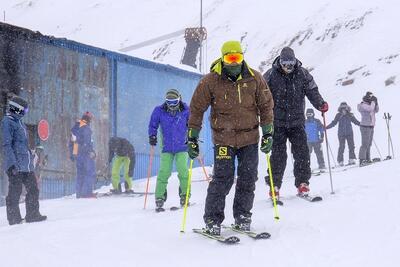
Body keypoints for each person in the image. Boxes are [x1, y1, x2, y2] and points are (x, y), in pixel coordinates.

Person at [188, 40, 274, 235]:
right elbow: (196, 109)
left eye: (238, 57)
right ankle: (212, 220)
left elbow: (266, 107)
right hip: (224, 139)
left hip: (250, 138)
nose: (234, 63)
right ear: (223, 58)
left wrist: (268, 133)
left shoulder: (255, 79)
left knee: (248, 178)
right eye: (230, 58)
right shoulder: (210, 81)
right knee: (222, 179)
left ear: (243, 57)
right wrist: (192, 137)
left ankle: (243, 216)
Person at [263, 47, 328, 199]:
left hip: (297, 121)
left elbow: (312, 90)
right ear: (280, 61)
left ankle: (303, 183)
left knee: (302, 153)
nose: (288, 67)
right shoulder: (271, 74)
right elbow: (261, 94)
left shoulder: (302, 74)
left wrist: (320, 104)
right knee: (278, 155)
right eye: (285, 64)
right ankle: (275, 186)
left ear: (294, 62)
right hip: (277, 122)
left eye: (290, 64)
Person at [1, 95, 47, 225]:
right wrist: (11, 164)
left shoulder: (19, 122)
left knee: (33, 189)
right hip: (15, 164)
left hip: (26, 165)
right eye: (24, 111)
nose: (25, 113)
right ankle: (14, 219)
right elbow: (6, 144)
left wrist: (31, 157)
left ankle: (32, 214)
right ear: (17, 109)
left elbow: (23, 144)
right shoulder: (7, 122)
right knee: (14, 192)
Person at [148, 89, 190, 210]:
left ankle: (185, 195)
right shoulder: (159, 110)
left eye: (174, 101)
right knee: (164, 172)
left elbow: (193, 123)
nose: (172, 105)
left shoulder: (186, 110)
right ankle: (160, 197)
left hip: (182, 147)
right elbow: (153, 124)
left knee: (183, 171)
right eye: (169, 102)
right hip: (166, 148)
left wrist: (193, 135)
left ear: (179, 99)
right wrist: (152, 135)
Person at [71, 111, 96, 198]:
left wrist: (74, 154)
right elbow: (87, 143)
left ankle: (79, 193)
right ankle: (87, 193)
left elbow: (74, 142)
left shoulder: (76, 128)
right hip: (85, 155)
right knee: (89, 172)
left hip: (78, 155)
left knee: (80, 174)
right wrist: (91, 152)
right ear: (88, 119)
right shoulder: (86, 128)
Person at [326, 102, 360, 166]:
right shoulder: (338, 115)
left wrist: (362, 124)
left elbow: (355, 121)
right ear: (340, 109)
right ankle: (340, 160)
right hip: (341, 134)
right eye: (342, 108)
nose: (344, 110)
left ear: (347, 108)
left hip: (349, 133)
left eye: (345, 108)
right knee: (342, 147)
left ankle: (351, 159)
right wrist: (327, 127)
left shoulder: (350, 115)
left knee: (351, 146)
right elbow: (334, 123)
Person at [358, 92, 379, 166]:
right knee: (364, 144)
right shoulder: (363, 105)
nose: (371, 99)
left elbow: (376, 110)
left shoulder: (371, 104)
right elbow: (370, 109)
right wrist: (373, 102)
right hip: (365, 126)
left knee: (369, 144)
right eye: (370, 97)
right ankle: (362, 160)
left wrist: (376, 103)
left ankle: (367, 158)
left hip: (370, 126)